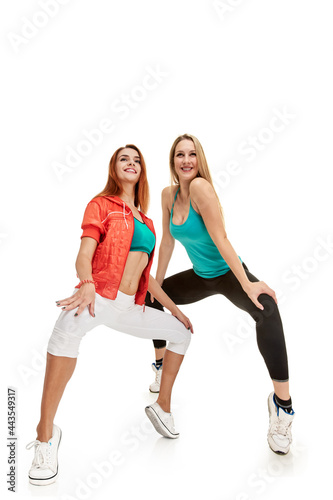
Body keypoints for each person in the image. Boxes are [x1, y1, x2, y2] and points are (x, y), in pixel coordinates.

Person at [26, 144, 193, 486]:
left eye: (136, 160)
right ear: (114, 168)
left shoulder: (147, 221)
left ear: (142, 171)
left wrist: (176, 312)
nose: (131, 164)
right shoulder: (101, 205)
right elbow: (84, 253)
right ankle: (46, 436)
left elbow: (151, 281)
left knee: (182, 334)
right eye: (123, 159)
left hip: (129, 306)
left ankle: (162, 406)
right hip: (96, 295)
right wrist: (85, 282)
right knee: (62, 338)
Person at [146, 134, 295, 455]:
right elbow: (168, 242)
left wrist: (248, 283)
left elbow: (222, 238)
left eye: (192, 155)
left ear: (199, 160)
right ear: (172, 161)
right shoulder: (167, 196)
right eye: (179, 155)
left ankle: (282, 405)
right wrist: (155, 286)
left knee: (266, 309)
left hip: (227, 274)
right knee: (150, 298)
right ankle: (159, 369)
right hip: (201, 277)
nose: (186, 161)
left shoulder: (201, 189)